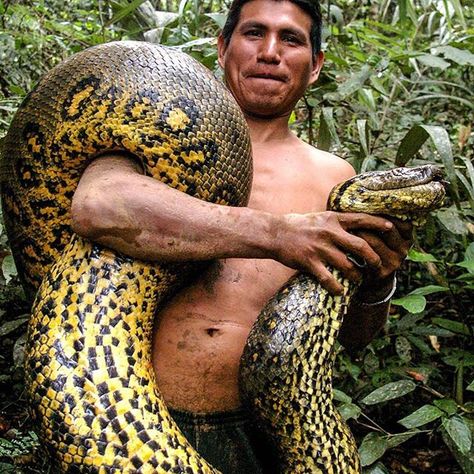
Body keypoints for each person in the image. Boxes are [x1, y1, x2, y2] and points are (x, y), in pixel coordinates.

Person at [71, 0, 412, 471]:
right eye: (254, 33)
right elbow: (99, 206)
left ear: (314, 66)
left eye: (291, 39)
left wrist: (376, 281)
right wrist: (277, 233)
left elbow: (351, 336)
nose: (270, 52)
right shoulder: (153, 132)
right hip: (129, 410)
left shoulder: (336, 179)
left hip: (262, 434)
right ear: (222, 47)